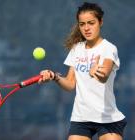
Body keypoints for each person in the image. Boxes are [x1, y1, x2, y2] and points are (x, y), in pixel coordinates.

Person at [39, 2, 127, 140]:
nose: (86, 28)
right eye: (82, 24)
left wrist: (96, 72)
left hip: (108, 118)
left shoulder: (109, 48)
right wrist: (54, 76)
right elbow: (70, 84)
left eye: (91, 23)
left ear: (100, 22)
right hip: (81, 117)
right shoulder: (76, 49)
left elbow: (104, 76)